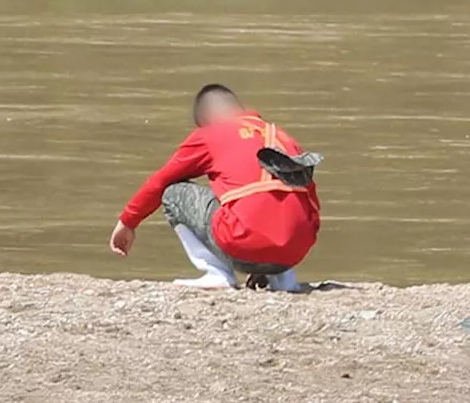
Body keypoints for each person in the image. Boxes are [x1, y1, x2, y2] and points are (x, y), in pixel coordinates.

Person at [108, 85, 322, 291]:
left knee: (173, 193)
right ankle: (283, 279)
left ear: (208, 119)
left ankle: (217, 274)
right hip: (295, 250)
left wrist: (128, 221)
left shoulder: (211, 134)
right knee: (277, 199)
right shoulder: (282, 137)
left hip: (244, 243)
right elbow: (311, 203)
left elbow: (160, 181)